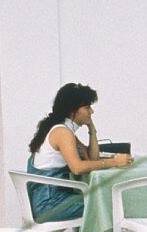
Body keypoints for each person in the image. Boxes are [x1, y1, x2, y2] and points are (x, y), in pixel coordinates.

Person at [26, 83, 133, 222]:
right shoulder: (62, 132)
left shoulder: (62, 130)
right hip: (49, 204)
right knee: (106, 203)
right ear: (73, 110)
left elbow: (91, 158)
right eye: (87, 107)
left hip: (49, 201)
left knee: (102, 201)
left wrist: (92, 129)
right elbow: (77, 168)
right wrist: (114, 161)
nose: (92, 112)